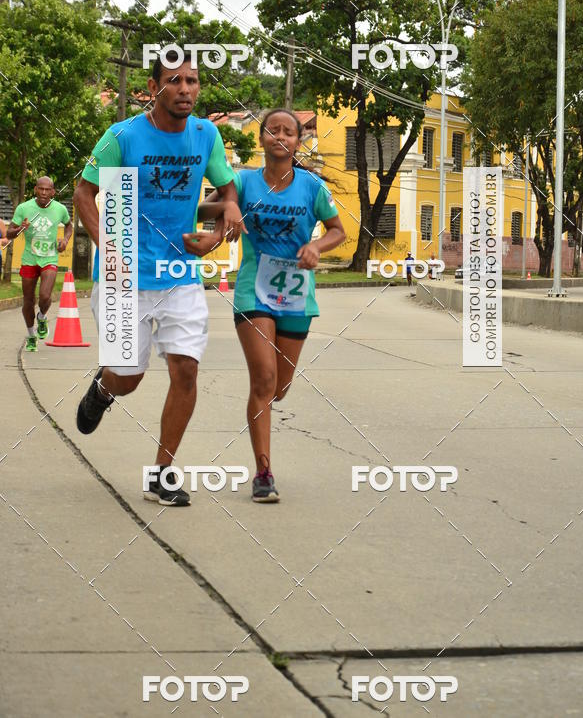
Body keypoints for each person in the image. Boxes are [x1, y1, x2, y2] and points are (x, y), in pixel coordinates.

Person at [73, 51, 244, 507]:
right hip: (122, 277)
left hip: (179, 275)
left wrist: (215, 233)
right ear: (153, 89)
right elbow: (84, 194)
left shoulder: (206, 136)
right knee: (129, 375)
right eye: (175, 81)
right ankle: (104, 388)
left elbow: (227, 191)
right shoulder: (123, 137)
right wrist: (107, 246)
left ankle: (162, 473)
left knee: (185, 368)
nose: (186, 89)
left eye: (193, 80)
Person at [188, 108, 346, 503]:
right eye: (272, 131)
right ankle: (263, 472)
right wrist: (227, 206)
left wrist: (315, 246)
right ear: (261, 139)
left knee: (279, 388)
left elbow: (338, 231)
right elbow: (202, 209)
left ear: (297, 141)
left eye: (288, 132)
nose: (280, 137)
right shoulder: (241, 181)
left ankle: (265, 427)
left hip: (297, 296)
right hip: (253, 293)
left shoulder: (311, 186)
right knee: (262, 381)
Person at [6, 177, 72, 352]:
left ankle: (42, 317)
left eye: (47, 190)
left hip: (50, 258)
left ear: (53, 192)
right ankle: (31, 335)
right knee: (28, 301)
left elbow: (68, 225)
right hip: (29, 259)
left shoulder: (60, 209)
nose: (43, 193)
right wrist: (20, 228)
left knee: (44, 296)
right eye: (40, 189)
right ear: (35, 189)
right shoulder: (24, 208)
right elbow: (8, 233)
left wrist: (65, 240)